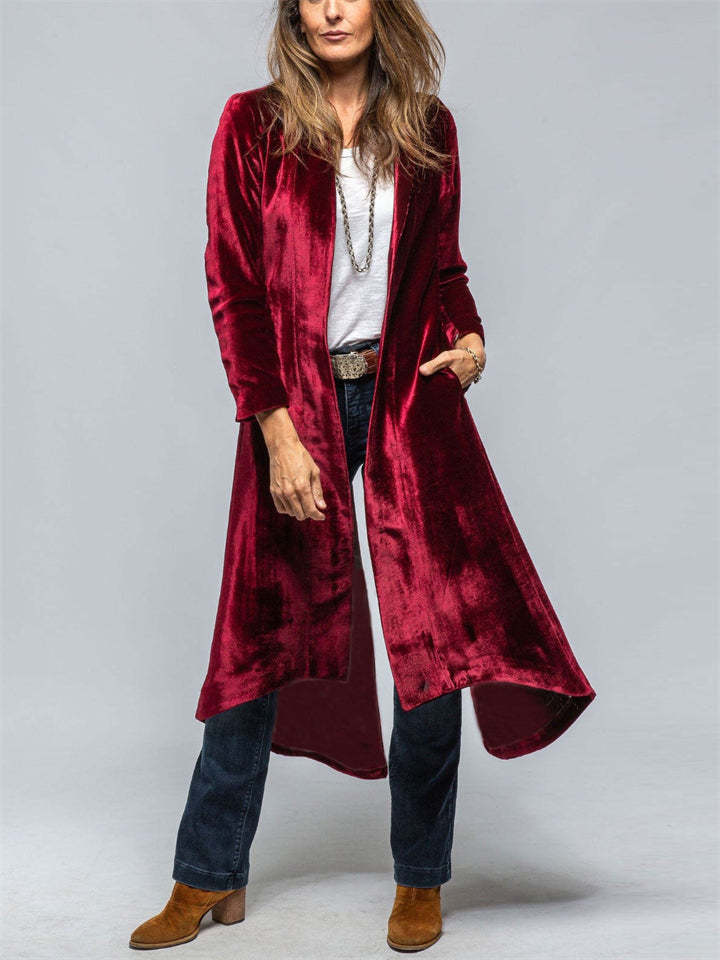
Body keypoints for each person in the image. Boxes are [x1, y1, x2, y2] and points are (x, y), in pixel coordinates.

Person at [130, 0, 596, 952]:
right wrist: (274, 428)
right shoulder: (253, 123)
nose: (332, 9)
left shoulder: (428, 127)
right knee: (254, 638)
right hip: (295, 407)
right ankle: (208, 874)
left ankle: (421, 877)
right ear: (294, 11)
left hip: (406, 399)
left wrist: (470, 340)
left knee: (433, 644)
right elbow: (233, 284)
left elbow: (445, 269)